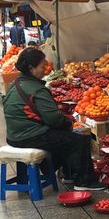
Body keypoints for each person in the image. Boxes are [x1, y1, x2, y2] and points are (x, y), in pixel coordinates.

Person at [2, 48, 103, 191]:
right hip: (29, 136)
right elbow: (54, 120)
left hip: (13, 136)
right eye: (42, 67)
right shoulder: (37, 89)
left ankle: (67, 174)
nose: (45, 70)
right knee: (78, 140)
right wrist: (68, 122)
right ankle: (84, 181)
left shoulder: (15, 85)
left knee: (63, 137)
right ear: (31, 68)